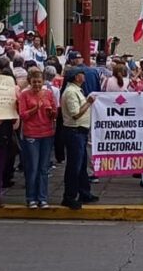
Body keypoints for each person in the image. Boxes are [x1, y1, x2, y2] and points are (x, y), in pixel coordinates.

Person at [19, 68, 57, 209]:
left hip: (47, 133)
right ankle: (31, 198)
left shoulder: (48, 94)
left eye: (39, 82)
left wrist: (51, 112)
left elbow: (54, 113)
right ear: (30, 82)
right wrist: (35, 110)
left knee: (44, 168)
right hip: (31, 134)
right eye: (34, 82)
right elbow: (22, 115)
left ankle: (43, 197)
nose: (37, 85)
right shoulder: (24, 95)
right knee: (33, 167)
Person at [61, 67, 98, 209]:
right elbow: (75, 114)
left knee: (81, 165)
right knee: (74, 166)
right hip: (74, 132)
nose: (84, 76)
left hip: (79, 132)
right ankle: (69, 196)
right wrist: (88, 103)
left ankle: (84, 192)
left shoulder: (76, 90)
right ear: (77, 77)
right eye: (82, 74)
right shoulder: (71, 92)